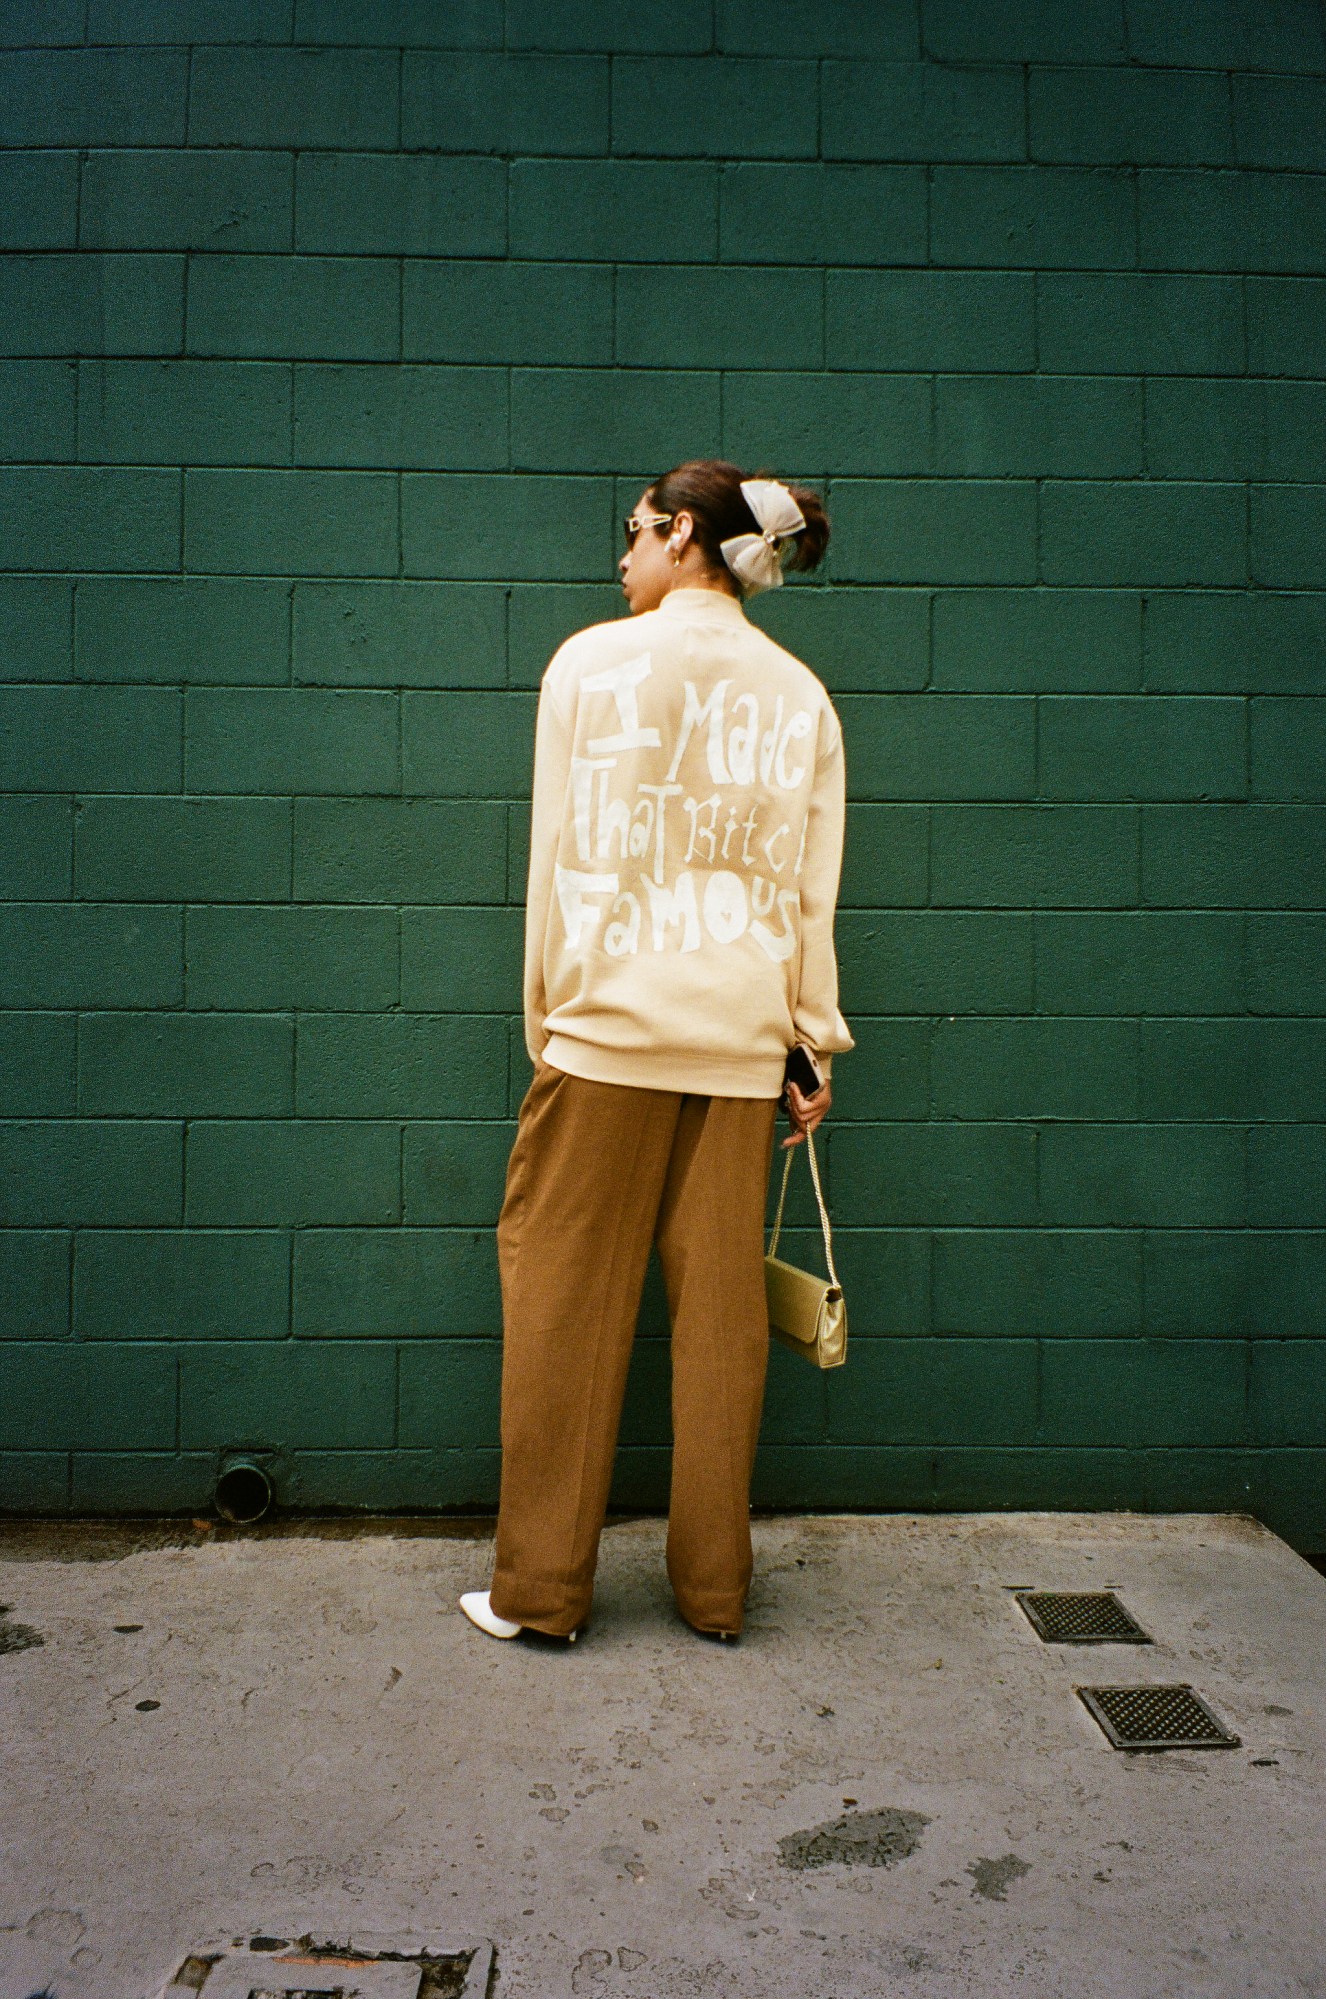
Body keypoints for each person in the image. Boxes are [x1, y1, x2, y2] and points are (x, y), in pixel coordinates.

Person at [459, 459, 854, 1646]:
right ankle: (714, 1594)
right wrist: (806, 1045)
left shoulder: (587, 665)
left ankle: (541, 1594)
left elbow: (553, 867)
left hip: (606, 1042)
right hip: (738, 1053)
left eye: (631, 531)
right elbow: (805, 900)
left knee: (561, 1310)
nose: (620, 554)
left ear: (683, 531)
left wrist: (551, 1026)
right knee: (722, 1332)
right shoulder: (801, 697)